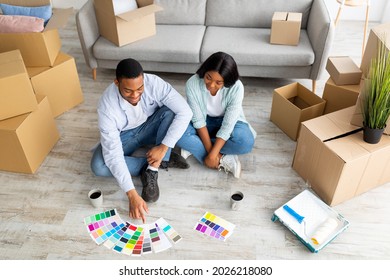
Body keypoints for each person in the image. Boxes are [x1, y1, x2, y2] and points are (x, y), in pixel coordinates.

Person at [90, 58, 192, 223]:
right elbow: (113, 154)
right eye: (128, 91)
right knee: (98, 166)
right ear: (116, 83)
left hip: (151, 126)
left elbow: (185, 112)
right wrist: (131, 193)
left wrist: (164, 146)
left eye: (140, 88)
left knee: (171, 112)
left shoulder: (155, 83)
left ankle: (154, 168)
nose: (135, 95)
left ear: (144, 79)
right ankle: (157, 162)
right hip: (125, 136)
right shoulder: (106, 107)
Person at [177, 51, 256, 178]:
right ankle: (224, 159)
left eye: (219, 82)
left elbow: (228, 126)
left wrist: (212, 154)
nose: (211, 85)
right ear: (205, 71)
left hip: (227, 122)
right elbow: (198, 121)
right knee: (178, 134)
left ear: (227, 81)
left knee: (245, 142)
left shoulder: (237, 87)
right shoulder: (192, 83)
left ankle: (195, 145)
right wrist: (213, 154)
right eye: (208, 77)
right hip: (203, 123)